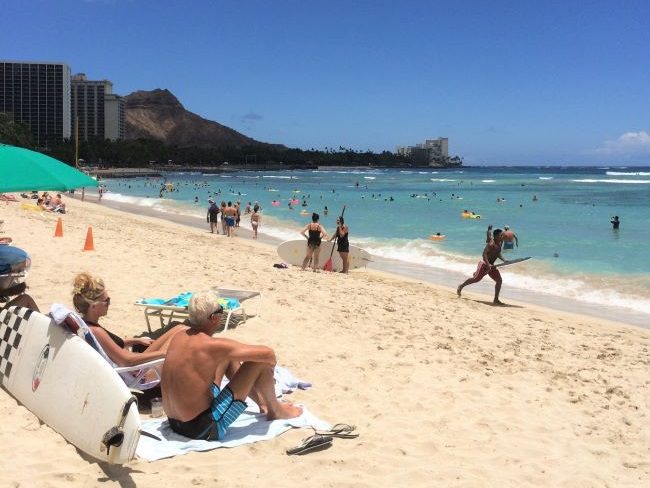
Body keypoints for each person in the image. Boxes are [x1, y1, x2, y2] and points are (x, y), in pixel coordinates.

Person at [161, 290, 303, 440]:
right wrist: (270, 370)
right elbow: (269, 354)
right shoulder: (212, 346)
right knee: (258, 363)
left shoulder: (179, 335)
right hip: (203, 428)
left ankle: (263, 404)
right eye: (221, 310)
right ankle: (276, 410)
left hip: (175, 422)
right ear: (214, 318)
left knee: (228, 358)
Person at [72, 272, 186, 367]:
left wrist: (136, 340)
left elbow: (110, 345)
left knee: (179, 328)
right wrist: (163, 353)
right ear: (93, 306)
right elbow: (126, 360)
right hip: (138, 374)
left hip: (133, 367)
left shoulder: (88, 325)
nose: (109, 304)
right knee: (180, 334)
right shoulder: (96, 331)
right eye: (106, 301)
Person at [457, 225, 507, 305]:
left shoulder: (500, 243)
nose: (502, 236)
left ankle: (496, 299)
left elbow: (498, 254)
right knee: (476, 279)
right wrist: (488, 265)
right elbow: (484, 254)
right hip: (484, 264)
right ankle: (461, 286)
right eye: (501, 235)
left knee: (499, 281)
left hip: (492, 266)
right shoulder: (491, 244)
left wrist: (504, 260)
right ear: (496, 236)